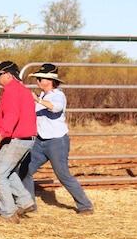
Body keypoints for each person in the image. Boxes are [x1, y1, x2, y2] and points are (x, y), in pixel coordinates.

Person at [22, 63, 95, 215]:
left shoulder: (57, 95)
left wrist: (37, 100)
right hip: (40, 141)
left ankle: (85, 206)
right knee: (25, 170)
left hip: (56, 141)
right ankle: (29, 205)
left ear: (49, 80)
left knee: (63, 174)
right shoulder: (42, 95)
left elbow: (56, 107)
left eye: (40, 78)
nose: (38, 81)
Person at [0, 60, 37, 224]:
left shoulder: (11, 91)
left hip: (16, 139)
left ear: (8, 75)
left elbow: (11, 114)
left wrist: (2, 133)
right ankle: (25, 201)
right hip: (26, 139)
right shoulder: (23, 90)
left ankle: (9, 213)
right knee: (6, 172)